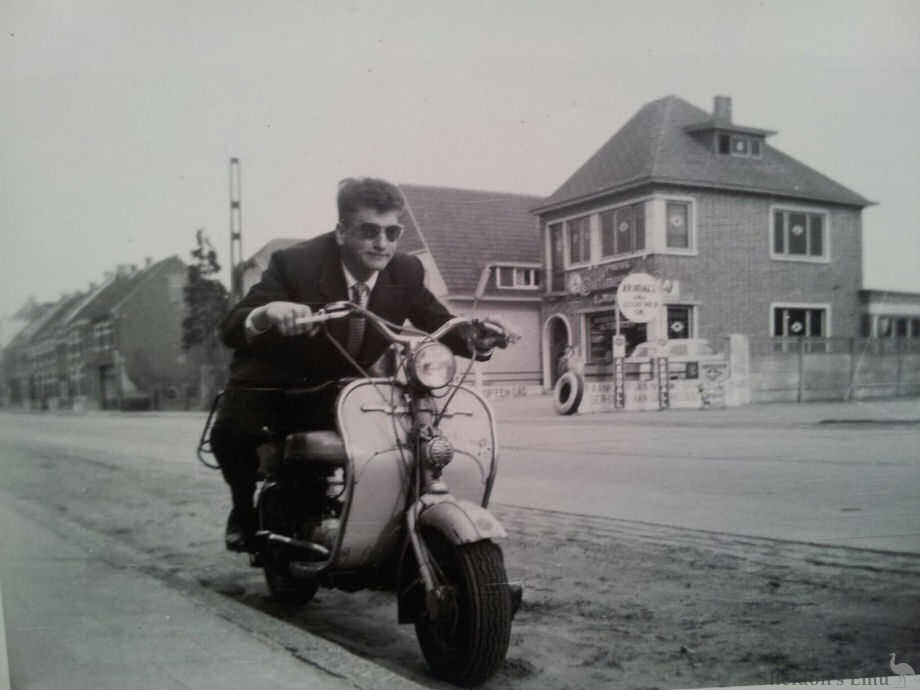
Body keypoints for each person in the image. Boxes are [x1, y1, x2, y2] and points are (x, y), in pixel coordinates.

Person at [211, 176, 513, 551]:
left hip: (346, 384)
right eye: (369, 231)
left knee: (411, 435)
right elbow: (232, 326)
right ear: (341, 231)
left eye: (392, 231)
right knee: (232, 430)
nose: (382, 243)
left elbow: (439, 322)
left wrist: (476, 337)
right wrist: (268, 312)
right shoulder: (295, 264)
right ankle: (243, 509)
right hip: (280, 378)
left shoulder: (405, 272)